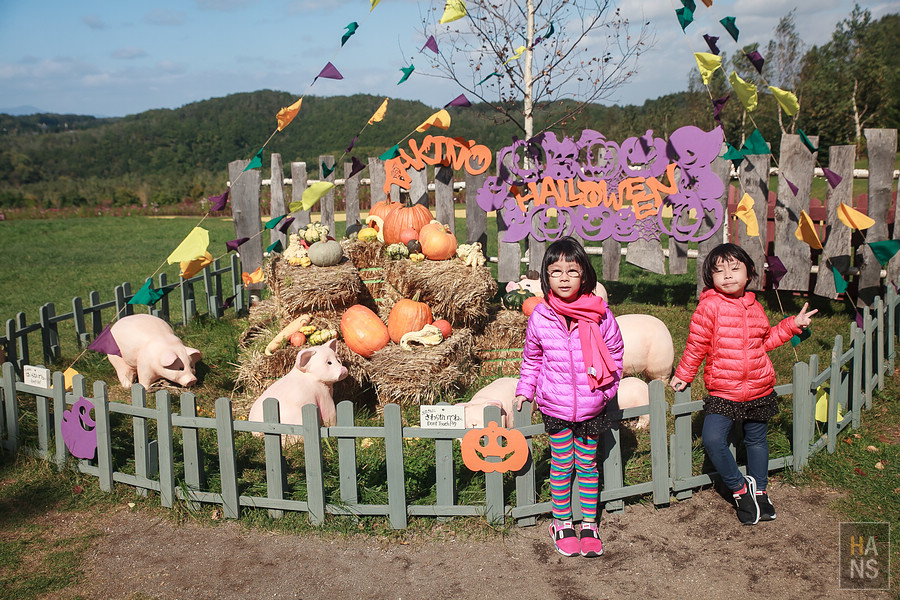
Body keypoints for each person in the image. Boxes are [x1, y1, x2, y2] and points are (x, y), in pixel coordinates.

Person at [670, 243, 817, 525]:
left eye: (734, 268)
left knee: (757, 441)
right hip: (724, 389)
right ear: (709, 277)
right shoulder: (709, 307)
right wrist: (685, 373)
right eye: (719, 271)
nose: (727, 275)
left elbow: (765, 342)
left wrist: (792, 325)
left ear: (749, 273)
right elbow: (696, 344)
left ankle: (760, 491)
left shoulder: (754, 305)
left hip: (759, 386)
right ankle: (740, 489)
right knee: (713, 439)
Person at [515, 236, 624, 558]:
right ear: (546, 277)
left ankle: (589, 523)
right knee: (562, 466)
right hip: (557, 406)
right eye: (556, 271)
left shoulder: (601, 315)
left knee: (588, 466)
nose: (564, 278)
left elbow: (616, 354)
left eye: (572, 271)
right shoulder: (541, 317)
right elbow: (532, 359)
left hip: (592, 406)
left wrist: (608, 390)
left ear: (585, 276)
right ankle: (561, 522)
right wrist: (525, 390)